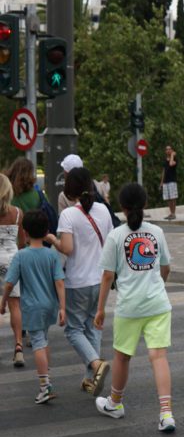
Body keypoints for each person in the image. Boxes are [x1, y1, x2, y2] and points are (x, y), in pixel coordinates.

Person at [93, 183, 176, 432]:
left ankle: (115, 403)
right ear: (146, 204)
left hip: (129, 306)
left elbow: (108, 276)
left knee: (122, 356)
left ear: (122, 207)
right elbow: (166, 267)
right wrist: (157, 285)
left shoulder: (116, 236)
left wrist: (100, 309)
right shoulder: (156, 232)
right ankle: (166, 413)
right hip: (158, 304)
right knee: (158, 357)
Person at [45, 166, 112, 396]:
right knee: (94, 328)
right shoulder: (103, 210)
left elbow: (68, 249)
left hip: (78, 281)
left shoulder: (68, 214)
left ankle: (96, 365)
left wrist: (53, 238)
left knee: (74, 330)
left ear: (69, 189)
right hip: (100, 280)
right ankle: (90, 378)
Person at [1, 210, 66, 404]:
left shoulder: (21, 256)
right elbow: (60, 282)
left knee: (37, 342)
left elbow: (10, 283)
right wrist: (63, 308)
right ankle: (47, 375)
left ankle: (45, 386)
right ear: (47, 231)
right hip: (50, 305)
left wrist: (4, 301)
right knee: (43, 339)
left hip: (32, 307)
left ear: (25, 232)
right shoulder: (52, 255)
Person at [0, 174, 26, 367]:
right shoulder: (18, 213)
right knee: (14, 306)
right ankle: (18, 347)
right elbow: (22, 243)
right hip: (12, 260)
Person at [162, 146, 179, 220]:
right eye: (167, 149)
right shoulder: (165, 160)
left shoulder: (175, 159)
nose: (168, 150)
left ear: (172, 150)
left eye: (169, 149)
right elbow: (163, 171)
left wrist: (172, 155)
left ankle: (173, 213)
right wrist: (161, 181)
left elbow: (171, 164)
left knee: (173, 197)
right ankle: (171, 212)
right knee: (168, 198)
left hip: (172, 180)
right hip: (166, 181)